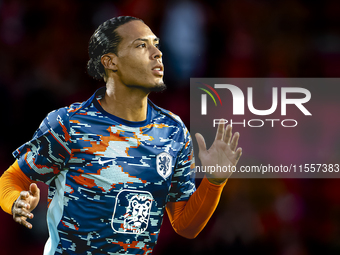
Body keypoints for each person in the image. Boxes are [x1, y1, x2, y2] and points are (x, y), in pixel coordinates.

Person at [0, 16, 242, 254]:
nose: (156, 53)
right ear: (110, 62)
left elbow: (185, 226)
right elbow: (11, 179)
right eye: (141, 45)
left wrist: (214, 181)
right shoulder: (68, 124)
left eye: (156, 44)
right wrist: (16, 202)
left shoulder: (174, 132)